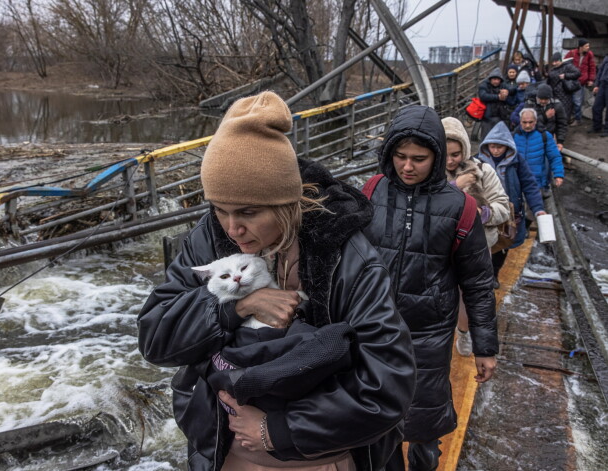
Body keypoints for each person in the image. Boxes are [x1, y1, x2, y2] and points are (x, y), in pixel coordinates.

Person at [137, 91, 417, 471]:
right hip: (225, 451)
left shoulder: (348, 257)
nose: (233, 228)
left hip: (319, 458)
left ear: (286, 203)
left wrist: (279, 429)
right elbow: (155, 339)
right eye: (220, 210)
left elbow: (387, 386)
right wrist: (235, 308)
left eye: (249, 213)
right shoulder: (210, 238)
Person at [362, 105, 498, 471]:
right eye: (400, 156)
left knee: (424, 420)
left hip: (429, 332)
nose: (407, 167)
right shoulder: (372, 191)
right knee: (377, 419)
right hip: (374, 328)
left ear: (437, 157)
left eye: (419, 159)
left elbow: (478, 282)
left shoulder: (460, 207)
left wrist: (485, 347)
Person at [442, 117, 510, 355]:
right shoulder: (428, 173)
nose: (450, 161)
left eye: (456, 154)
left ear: (465, 150)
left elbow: (503, 206)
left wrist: (482, 214)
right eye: (445, 154)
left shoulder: (483, 171)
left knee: (467, 295)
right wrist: (455, 187)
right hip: (439, 247)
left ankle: (463, 333)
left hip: (476, 247)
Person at [475, 121, 546, 288]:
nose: (496, 150)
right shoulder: (478, 162)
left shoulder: (516, 162)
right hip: (486, 210)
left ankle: (494, 273)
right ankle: (481, 274)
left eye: (500, 147)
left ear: (507, 146)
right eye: (492, 146)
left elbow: (529, 184)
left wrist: (538, 209)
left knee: (503, 243)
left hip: (509, 212)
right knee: (483, 242)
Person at [513, 107, 565, 189]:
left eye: (531, 122)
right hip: (517, 181)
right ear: (520, 122)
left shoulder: (545, 136)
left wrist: (558, 174)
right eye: (524, 122)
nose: (527, 125)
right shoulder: (513, 136)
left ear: (536, 121)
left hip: (537, 182)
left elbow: (554, 156)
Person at [511, 83, 568, 151]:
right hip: (533, 137)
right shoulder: (530, 104)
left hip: (549, 138)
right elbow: (529, 123)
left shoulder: (557, 105)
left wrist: (560, 141)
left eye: (546, 99)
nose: (543, 101)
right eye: (541, 99)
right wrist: (545, 117)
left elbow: (562, 123)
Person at [564, 39, 596, 125]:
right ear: (581, 47)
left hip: (581, 81)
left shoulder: (589, 55)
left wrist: (590, 79)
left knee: (578, 101)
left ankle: (577, 119)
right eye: (586, 46)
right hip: (570, 80)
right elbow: (565, 64)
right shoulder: (571, 53)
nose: (588, 48)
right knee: (569, 100)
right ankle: (568, 117)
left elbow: (592, 67)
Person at [478, 67, 515, 139]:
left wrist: (507, 92)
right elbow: (483, 96)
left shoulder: (503, 85)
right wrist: (497, 97)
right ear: (490, 79)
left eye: (498, 79)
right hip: (487, 117)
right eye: (494, 79)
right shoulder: (484, 85)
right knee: (486, 138)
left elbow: (512, 89)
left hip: (500, 116)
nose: (496, 81)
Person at [546, 52, 581, 125]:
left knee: (564, 114)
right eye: (553, 62)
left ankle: (563, 131)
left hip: (565, 94)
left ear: (560, 60)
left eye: (556, 61)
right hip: (555, 95)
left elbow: (577, 73)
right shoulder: (553, 70)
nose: (554, 63)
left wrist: (565, 76)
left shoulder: (567, 66)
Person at [590, 54, 608, 137]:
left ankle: (607, 129)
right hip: (603, 84)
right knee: (596, 107)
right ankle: (597, 127)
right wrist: (597, 85)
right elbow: (600, 71)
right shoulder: (606, 57)